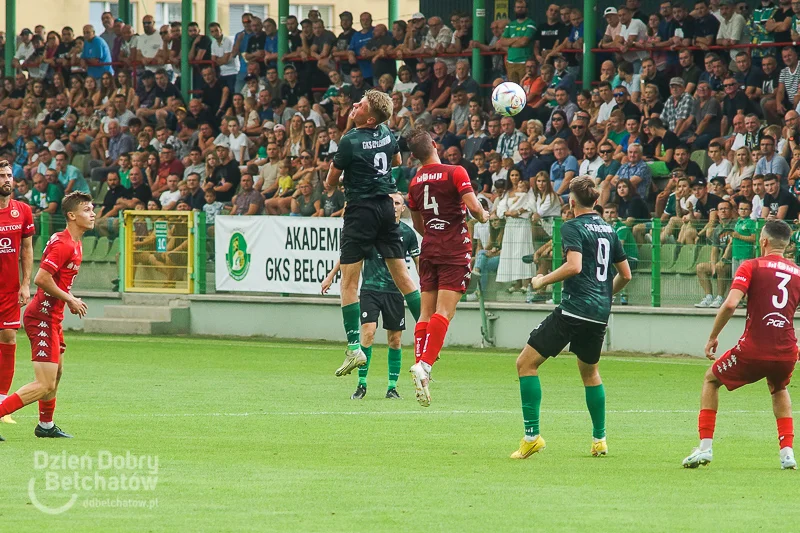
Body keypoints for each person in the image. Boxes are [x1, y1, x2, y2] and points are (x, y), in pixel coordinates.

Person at [510, 176, 632, 460]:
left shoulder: (572, 226)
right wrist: (605, 296)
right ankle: (599, 440)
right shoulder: (609, 229)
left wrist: (543, 281)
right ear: (597, 200)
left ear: (571, 202)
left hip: (573, 310)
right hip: (599, 313)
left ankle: (531, 436)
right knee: (590, 374)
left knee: (525, 364)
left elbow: (574, 266)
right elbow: (625, 274)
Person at [683, 220, 798, 470]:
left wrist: (713, 336)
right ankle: (787, 453)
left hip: (754, 348)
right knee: (779, 388)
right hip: (787, 350)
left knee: (711, 379)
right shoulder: (798, 272)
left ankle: (704, 447)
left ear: (763, 241)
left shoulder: (751, 266)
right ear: (787, 245)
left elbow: (730, 304)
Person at [326, 91, 422, 377]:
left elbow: (331, 180)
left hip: (361, 211)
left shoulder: (349, 141)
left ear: (368, 117)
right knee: (403, 277)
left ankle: (354, 347)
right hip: (385, 205)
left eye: (360, 105)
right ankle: (429, 339)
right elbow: (394, 161)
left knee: (349, 282)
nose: (354, 105)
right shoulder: (386, 132)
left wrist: (340, 182)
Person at [405, 128, 489, 407]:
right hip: (454, 248)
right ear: (434, 145)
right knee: (445, 311)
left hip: (429, 247)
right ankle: (425, 366)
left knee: (425, 312)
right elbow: (474, 209)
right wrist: (484, 215)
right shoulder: (455, 172)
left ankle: (420, 364)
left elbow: (418, 225)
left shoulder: (415, 181)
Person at [0, 192, 94, 439]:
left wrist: (67, 300)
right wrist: (70, 298)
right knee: (44, 384)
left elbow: (57, 279)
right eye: (87, 210)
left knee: (57, 374)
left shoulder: (72, 240)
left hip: (53, 317)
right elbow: (42, 278)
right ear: (72, 215)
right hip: (42, 317)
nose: (93, 213)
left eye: (92, 209)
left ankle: (46, 426)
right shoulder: (65, 244)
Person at [322, 193, 419, 400]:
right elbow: (350, 257)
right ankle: (361, 384)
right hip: (370, 290)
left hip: (394, 292)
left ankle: (392, 387)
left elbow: (419, 262)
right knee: (368, 333)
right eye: (390, 202)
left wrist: (426, 283)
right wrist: (331, 276)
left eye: (397, 203)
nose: (393, 206)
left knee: (395, 340)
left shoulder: (408, 233)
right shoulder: (373, 230)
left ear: (403, 208)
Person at [0, 160, 34, 430]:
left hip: (10, 291)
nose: (6, 180)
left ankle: (2, 406)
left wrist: (25, 284)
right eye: (1, 176)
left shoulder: (22, 211)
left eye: (9, 175)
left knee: (10, 338)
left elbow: (26, 250)